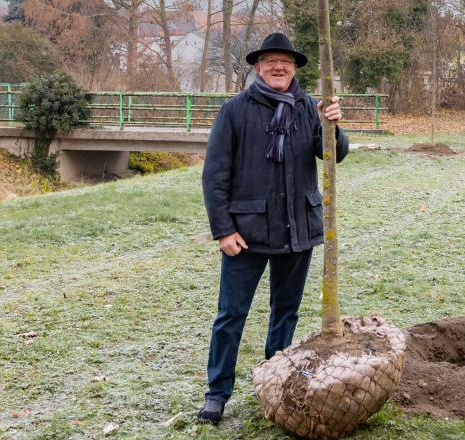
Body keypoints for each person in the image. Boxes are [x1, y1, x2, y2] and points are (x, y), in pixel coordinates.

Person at [197, 32, 349, 425]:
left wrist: (334, 125)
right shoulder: (235, 110)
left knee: (286, 313)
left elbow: (335, 154)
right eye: (270, 61)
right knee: (231, 316)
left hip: (297, 229)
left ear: (295, 67)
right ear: (257, 67)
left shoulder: (307, 108)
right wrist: (222, 230)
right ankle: (217, 393)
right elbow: (214, 175)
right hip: (245, 235)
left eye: (285, 61)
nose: (278, 67)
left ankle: (276, 381)